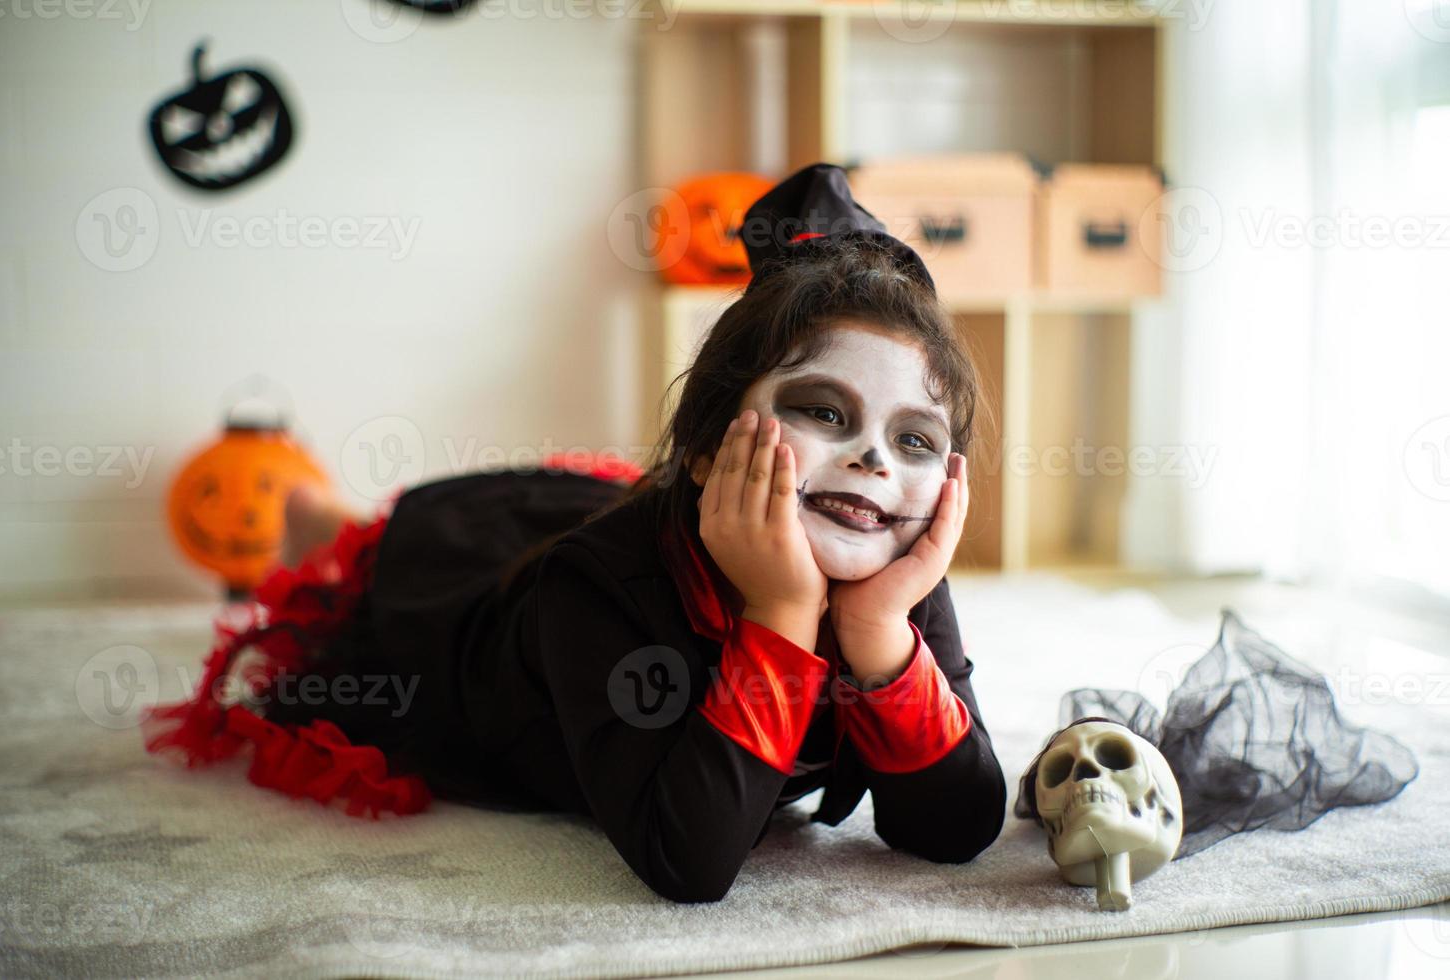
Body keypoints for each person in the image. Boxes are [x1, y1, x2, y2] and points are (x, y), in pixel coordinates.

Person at [141, 163, 1008, 903]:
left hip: (613, 528)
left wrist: (881, 638)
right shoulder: (592, 586)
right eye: (824, 411)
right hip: (479, 630)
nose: (873, 463)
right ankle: (329, 520)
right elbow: (688, 861)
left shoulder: (892, 568)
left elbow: (955, 829)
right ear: (707, 448)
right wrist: (782, 609)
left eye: (914, 441)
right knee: (397, 563)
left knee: (561, 505)